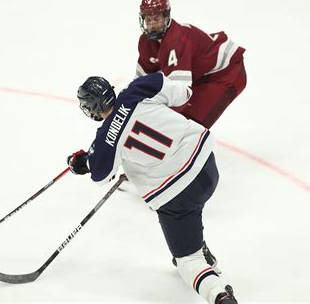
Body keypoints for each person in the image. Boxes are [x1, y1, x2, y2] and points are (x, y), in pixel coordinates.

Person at [67, 73, 238, 304]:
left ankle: (218, 295)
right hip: (205, 165)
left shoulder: (105, 140)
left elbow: (101, 175)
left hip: (175, 195)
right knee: (192, 208)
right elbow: (184, 94)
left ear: (91, 107)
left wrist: (83, 162)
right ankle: (200, 245)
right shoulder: (139, 89)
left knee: (188, 260)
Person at [136, 0, 247, 129]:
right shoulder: (145, 42)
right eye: (148, 20)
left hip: (227, 72)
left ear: (166, 16)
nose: (152, 25)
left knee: (189, 126)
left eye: (156, 19)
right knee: (176, 121)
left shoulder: (175, 41)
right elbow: (139, 84)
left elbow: (180, 94)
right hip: (201, 74)